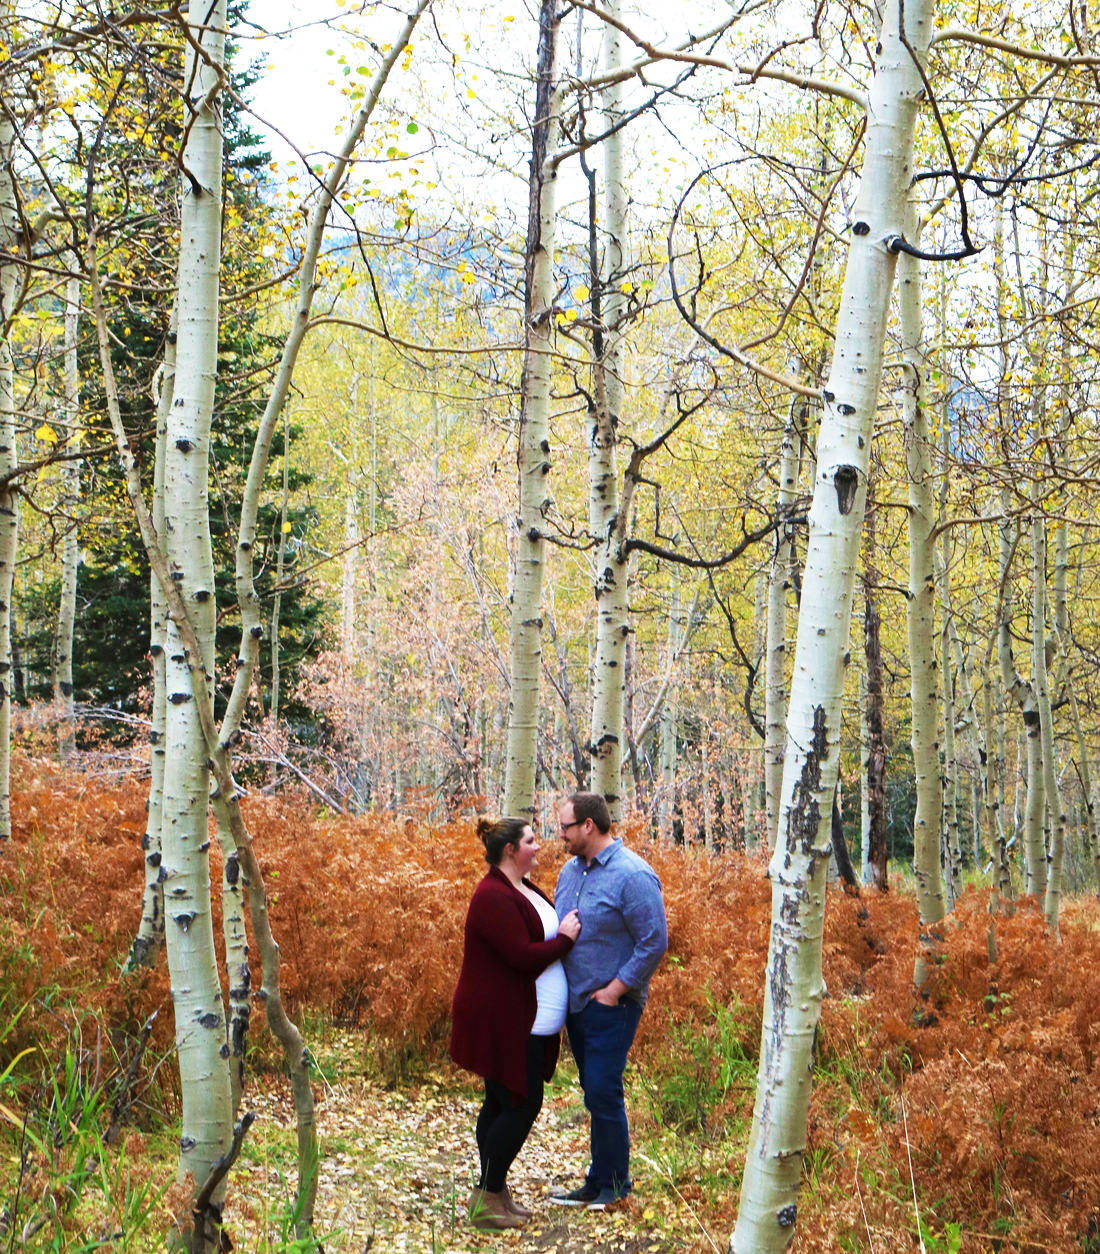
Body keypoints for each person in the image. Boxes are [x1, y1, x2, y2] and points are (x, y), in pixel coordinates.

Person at [449, 817, 582, 1230]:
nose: (538, 846)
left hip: (522, 1018)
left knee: (501, 1103)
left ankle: (495, 1191)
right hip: (504, 1019)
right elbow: (521, 956)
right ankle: (486, 1196)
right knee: (521, 1104)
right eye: (530, 841)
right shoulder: (492, 896)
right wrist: (565, 940)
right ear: (510, 850)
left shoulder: (520, 887)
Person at [550, 792, 668, 1210]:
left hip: (613, 1005)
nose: (560, 835)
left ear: (588, 825)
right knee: (593, 1091)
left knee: (603, 1090)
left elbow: (654, 940)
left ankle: (616, 1187)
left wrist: (614, 991)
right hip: (577, 1005)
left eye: (565, 827)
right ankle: (596, 1182)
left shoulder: (632, 874)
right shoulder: (569, 872)